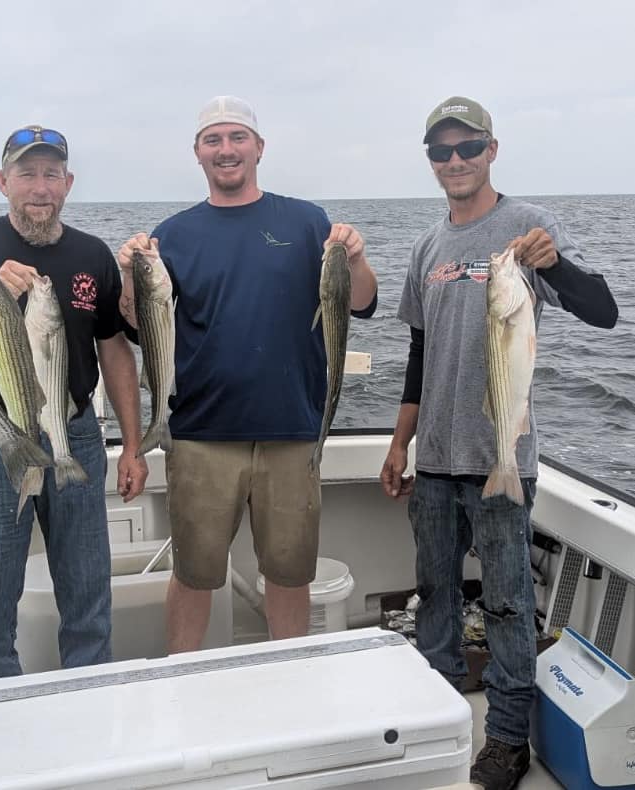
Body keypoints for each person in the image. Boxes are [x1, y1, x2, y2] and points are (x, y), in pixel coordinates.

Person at [379, 96, 618, 790]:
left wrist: (557, 267)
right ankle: (438, 712)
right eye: (440, 151)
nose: (454, 161)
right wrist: (399, 445)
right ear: (429, 160)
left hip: (500, 461)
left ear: (491, 150)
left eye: (467, 147)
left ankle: (506, 738)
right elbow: (420, 356)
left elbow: (601, 313)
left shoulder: (526, 226)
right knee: (436, 595)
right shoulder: (426, 246)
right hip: (435, 463)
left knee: (510, 604)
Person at [117, 96, 378, 652]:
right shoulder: (174, 234)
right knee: (194, 575)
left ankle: (292, 674)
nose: (226, 150)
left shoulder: (308, 221)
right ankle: (182, 681)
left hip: (293, 429)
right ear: (197, 153)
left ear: (259, 147)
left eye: (237, 138)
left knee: (289, 573)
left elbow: (359, 303)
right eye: (213, 140)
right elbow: (143, 328)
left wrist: (355, 258)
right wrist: (128, 277)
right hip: (200, 433)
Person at [0, 125, 149, 682]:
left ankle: (90, 690)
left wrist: (133, 446)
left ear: (68, 183)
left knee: (88, 584)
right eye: (26, 173)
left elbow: (114, 350)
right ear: (3, 182)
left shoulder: (91, 254)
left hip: (75, 436)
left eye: (51, 174)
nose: (39, 187)